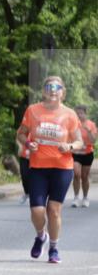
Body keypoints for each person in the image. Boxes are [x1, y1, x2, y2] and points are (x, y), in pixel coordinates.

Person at [15, 76, 82, 263]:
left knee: (53, 210)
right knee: (37, 210)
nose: (53, 90)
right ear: (43, 91)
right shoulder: (33, 111)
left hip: (62, 168)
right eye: (49, 86)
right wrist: (28, 143)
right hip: (37, 167)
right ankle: (40, 236)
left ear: (63, 92)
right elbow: (21, 133)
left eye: (57, 87)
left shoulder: (69, 114)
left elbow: (79, 141)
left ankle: (53, 248)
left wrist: (69, 147)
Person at [70, 105, 96, 208]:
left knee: (84, 177)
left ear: (85, 113)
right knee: (76, 174)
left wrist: (89, 131)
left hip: (87, 153)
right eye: (77, 113)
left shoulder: (91, 124)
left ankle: (85, 198)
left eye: (81, 113)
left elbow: (94, 141)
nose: (79, 115)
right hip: (76, 153)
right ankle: (76, 198)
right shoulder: (73, 124)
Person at [16, 137, 32, 205]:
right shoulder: (24, 128)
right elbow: (18, 138)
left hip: (36, 156)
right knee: (24, 175)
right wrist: (20, 146)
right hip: (24, 156)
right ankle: (27, 193)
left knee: (36, 176)